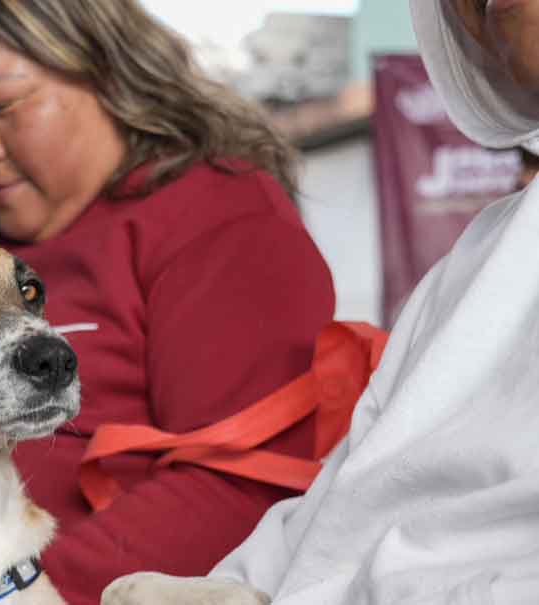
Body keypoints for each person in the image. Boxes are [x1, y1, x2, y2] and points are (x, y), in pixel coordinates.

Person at [104, 0, 539, 602]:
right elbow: (341, 505)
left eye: (5, 103)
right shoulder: (480, 257)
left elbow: (228, 484)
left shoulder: (222, 218)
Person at [0, 1, 336, 603]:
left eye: (5, 105)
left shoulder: (215, 213)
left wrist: (3, 593)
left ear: (108, 75)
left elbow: (247, 485)